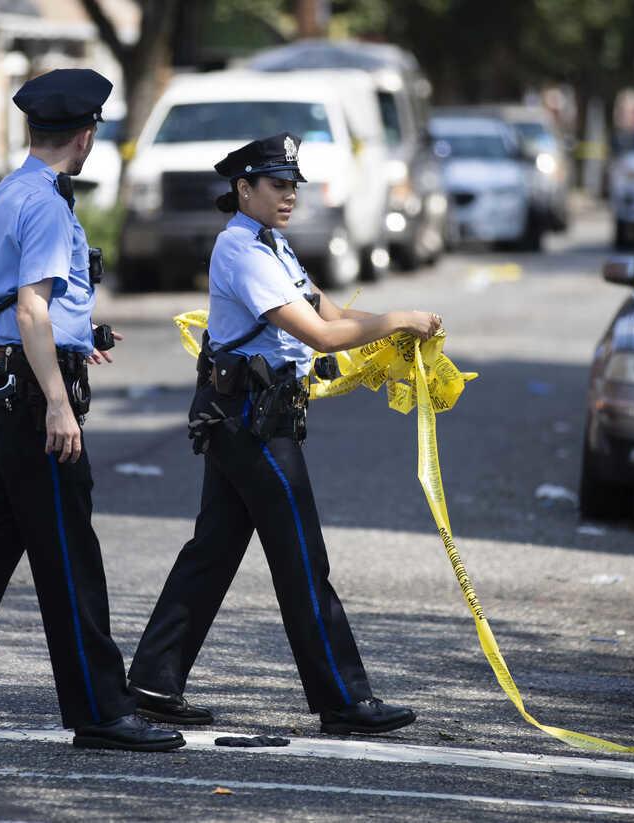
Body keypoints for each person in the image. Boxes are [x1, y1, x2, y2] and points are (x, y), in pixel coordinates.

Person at [0, 69, 183, 752]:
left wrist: (83, 338)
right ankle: (102, 710)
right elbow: (30, 307)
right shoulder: (47, 203)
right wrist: (57, 401)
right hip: (27, 394)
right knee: (69, 552)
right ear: (85, 134)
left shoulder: (6, 193)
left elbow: (14, 303)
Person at [128, 132, 442, 735]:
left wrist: (399, 329)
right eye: (276, 185)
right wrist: (397, 321)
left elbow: (330, 314)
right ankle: (343, 700)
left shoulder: (274, 246)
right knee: (301, 557)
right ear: (243, 190)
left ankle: (152, 681)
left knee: (212, 552)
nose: (289, 195)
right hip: (249, 421)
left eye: (293, 185)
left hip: (247, 417)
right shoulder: (241, 252)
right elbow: (321, 338)